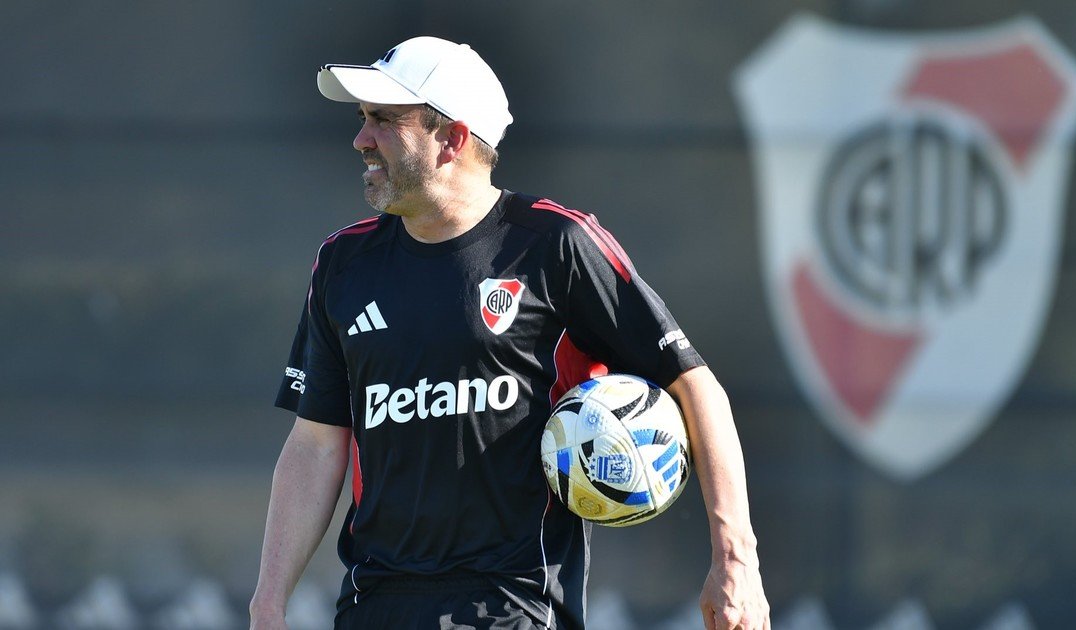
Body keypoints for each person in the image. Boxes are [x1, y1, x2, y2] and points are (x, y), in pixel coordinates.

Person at [249, 36, 770, 630]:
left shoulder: (555, 245)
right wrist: (268, 603)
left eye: (385, 120)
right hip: (373, 605)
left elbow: (695, 385)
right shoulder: (343, 264)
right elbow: (316, 442)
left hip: (515, 606)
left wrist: (736, 559)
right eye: (363, 118)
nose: (361, 139)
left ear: (453, 138)